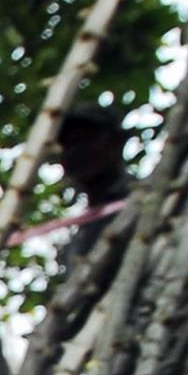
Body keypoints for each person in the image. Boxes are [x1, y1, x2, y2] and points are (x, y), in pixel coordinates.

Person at [58, 106, 130, 261]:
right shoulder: (82, 230)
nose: (75, 151)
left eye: (85, 138)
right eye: (67, 144)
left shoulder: (142, 201)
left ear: (117, 142)